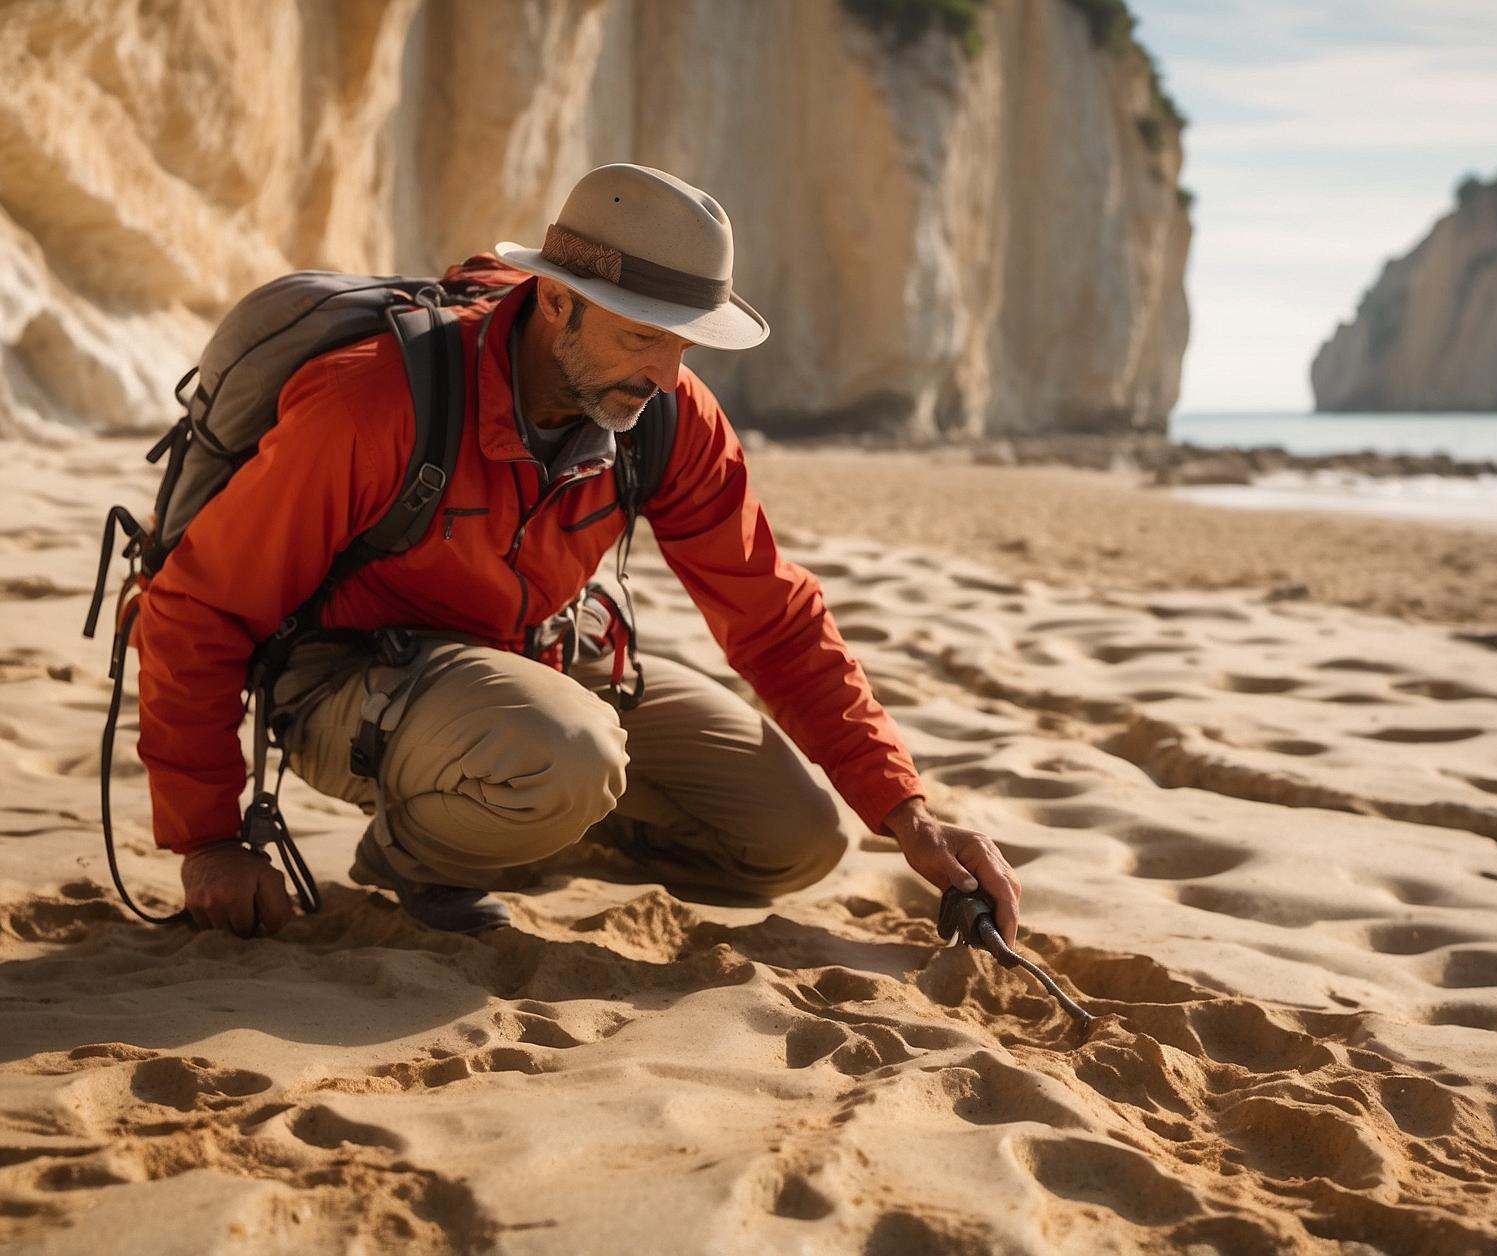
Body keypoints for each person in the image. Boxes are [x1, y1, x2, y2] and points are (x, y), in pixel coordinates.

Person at [132, 163, 1021, 941]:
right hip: (345, 680)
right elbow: (195, 607)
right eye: (642, 336)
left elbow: (774, 620)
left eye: (683, 343)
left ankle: (517, 815)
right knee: (569, 755)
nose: (667, 375)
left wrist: (908, 814)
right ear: (555, 299)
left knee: (797, 839)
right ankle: (427, 855)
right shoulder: (375, 402)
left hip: (542, 663)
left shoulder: (669, 412)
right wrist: (209, 841)